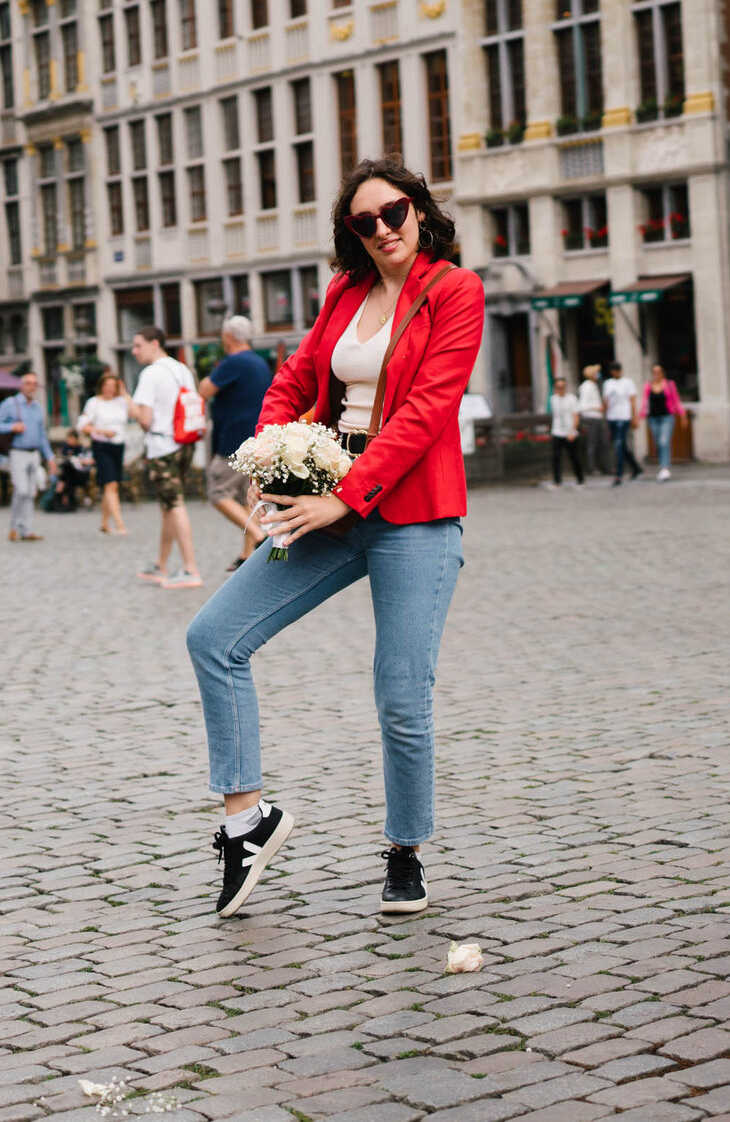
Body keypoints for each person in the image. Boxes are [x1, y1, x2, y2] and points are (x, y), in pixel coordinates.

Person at [185, 159, 483, 920]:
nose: (382, 228)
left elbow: (425, 412)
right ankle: (247, 823)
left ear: (419, 210)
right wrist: (267, 453)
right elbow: (295, 377)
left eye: (394, 212)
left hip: (412, 514)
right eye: (364, 221)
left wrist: (348, 496)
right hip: (322, 503)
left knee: (400, 692)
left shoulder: (455, 291)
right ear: (350, 232)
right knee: (214, 635)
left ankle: (406, 851)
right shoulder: (345, 292)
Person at [128, 327, 203, 588]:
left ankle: (190, 569)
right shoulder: (181, 369)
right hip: (185, 442)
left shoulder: (150, 373)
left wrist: (134, 411)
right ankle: (161, 564)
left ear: (154, 343)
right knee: (168, 506)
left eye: (138, 345)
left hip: (163, 445)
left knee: (174, 505)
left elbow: (146, 420)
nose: (134, 351)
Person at [200, 315, 273, 570]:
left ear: (228, 337)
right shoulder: (260, 362)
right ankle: (247, 555)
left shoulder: (233, 361)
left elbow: (205, 389)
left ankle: (258, 536)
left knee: (218, 491)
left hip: (233, 438)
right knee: (246, 497)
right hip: (256, 437)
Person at [0, 371, 54, 544]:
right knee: (21, 490)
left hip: (34, 452)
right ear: (21, 385)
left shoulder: (38, 407)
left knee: (31, 492)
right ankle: (14, 527)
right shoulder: (11, 404)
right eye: (28, 383)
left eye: (34, 384)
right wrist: (12, 427)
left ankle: (27, 529)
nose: (32, 387)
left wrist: (50, 457)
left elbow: (42, 435)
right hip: (18, 451)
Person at [78, 372, 133, 537]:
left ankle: (104, 523)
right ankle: (119, 523)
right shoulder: (94, 403)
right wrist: (101, 431)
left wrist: (124, 393)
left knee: (112, 484)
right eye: (107, 385)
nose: (110, 389)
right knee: (111, 485)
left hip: (118, 445)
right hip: (102, 445)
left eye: (113, 386)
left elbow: (136, 413)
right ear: (101, 386)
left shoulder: (121, 402)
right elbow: (83, 426)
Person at [600, 363, 642, 484]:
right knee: (621, 446)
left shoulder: (627, 382)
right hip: (612, 417)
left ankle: (618, 474)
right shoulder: (608, 384)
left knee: (618, 445)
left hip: (624, 416)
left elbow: (632, 400)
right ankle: (635, 467)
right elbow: (605, 401)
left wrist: (634, 417)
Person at [643, 364, 683, 481]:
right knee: (658, 443)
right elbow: (645, 402)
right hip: (653, 418)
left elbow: (676, 400)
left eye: (658, 372)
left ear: (663, 373)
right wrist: (640, 416)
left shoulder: (669, 385)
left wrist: (682, 414)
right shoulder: (648, 386)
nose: (656, 375)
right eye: (654, 372)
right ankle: (662, 466)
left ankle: (664, 467)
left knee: (664, 441)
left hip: (667, 416)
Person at [546, 372, 587, 487]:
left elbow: (576, 416)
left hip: (570, 432)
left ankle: (580, 479)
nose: (561, 390)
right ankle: (557, 481)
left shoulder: (572, 399)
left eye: (563, 387)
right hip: (557, 431)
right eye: (558, 387)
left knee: (574, 457)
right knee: (556, 457)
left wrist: (573, 431)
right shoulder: (553, 399)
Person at [576, 364, 609, 477]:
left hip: (598, 417)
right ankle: (592, 467)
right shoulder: (586, 387)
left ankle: (603, 466)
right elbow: (582, 406)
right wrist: (597, 408)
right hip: (591, 417)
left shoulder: (594, 385)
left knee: (602, 443)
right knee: (593, 443)